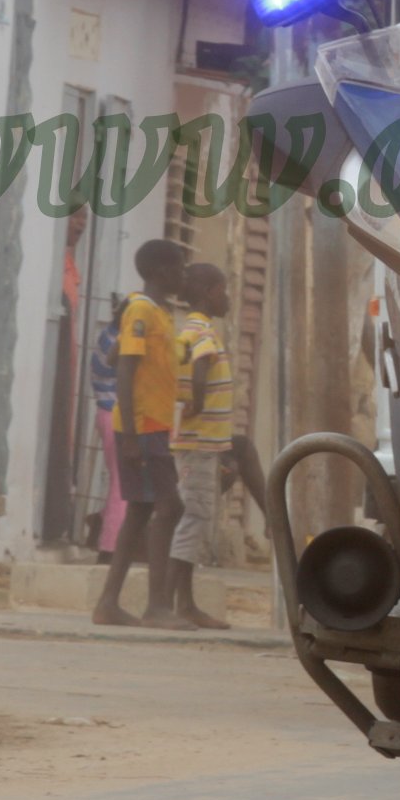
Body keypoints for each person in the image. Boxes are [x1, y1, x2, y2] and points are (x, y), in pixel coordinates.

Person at [93, 238, 189, 629]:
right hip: (142, 427)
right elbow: (124, 368)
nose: (183, 275)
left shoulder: (155, 312)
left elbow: (116, 353)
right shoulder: (141, 310)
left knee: (140, 511)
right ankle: (157, 606)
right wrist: (131, 437)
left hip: (155, 427)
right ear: (161, 272)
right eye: (179, 268)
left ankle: (108, 603)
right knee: (171, 508)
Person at [166, 260, 239, 631]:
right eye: (223, 290)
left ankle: (184, 603)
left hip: (200, 444)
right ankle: (176, 603)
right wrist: (195, 402)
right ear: (210, 293)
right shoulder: (203, 333)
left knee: (194, 517)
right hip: (197, 443)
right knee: (194, 517)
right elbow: (199, 369)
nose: (227, 298)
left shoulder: (189, 329)